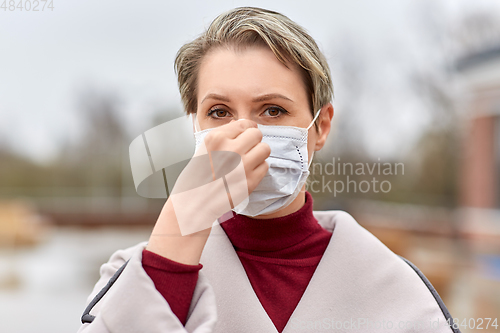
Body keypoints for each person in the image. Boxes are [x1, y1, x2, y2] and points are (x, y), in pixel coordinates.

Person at [78, 7, 460, 333]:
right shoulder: (138, 274)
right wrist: (182, 220)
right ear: (195, 126)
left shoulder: (399, 293)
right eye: (219, 112)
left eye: (273, 110)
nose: (245, 134)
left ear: (321, 127)